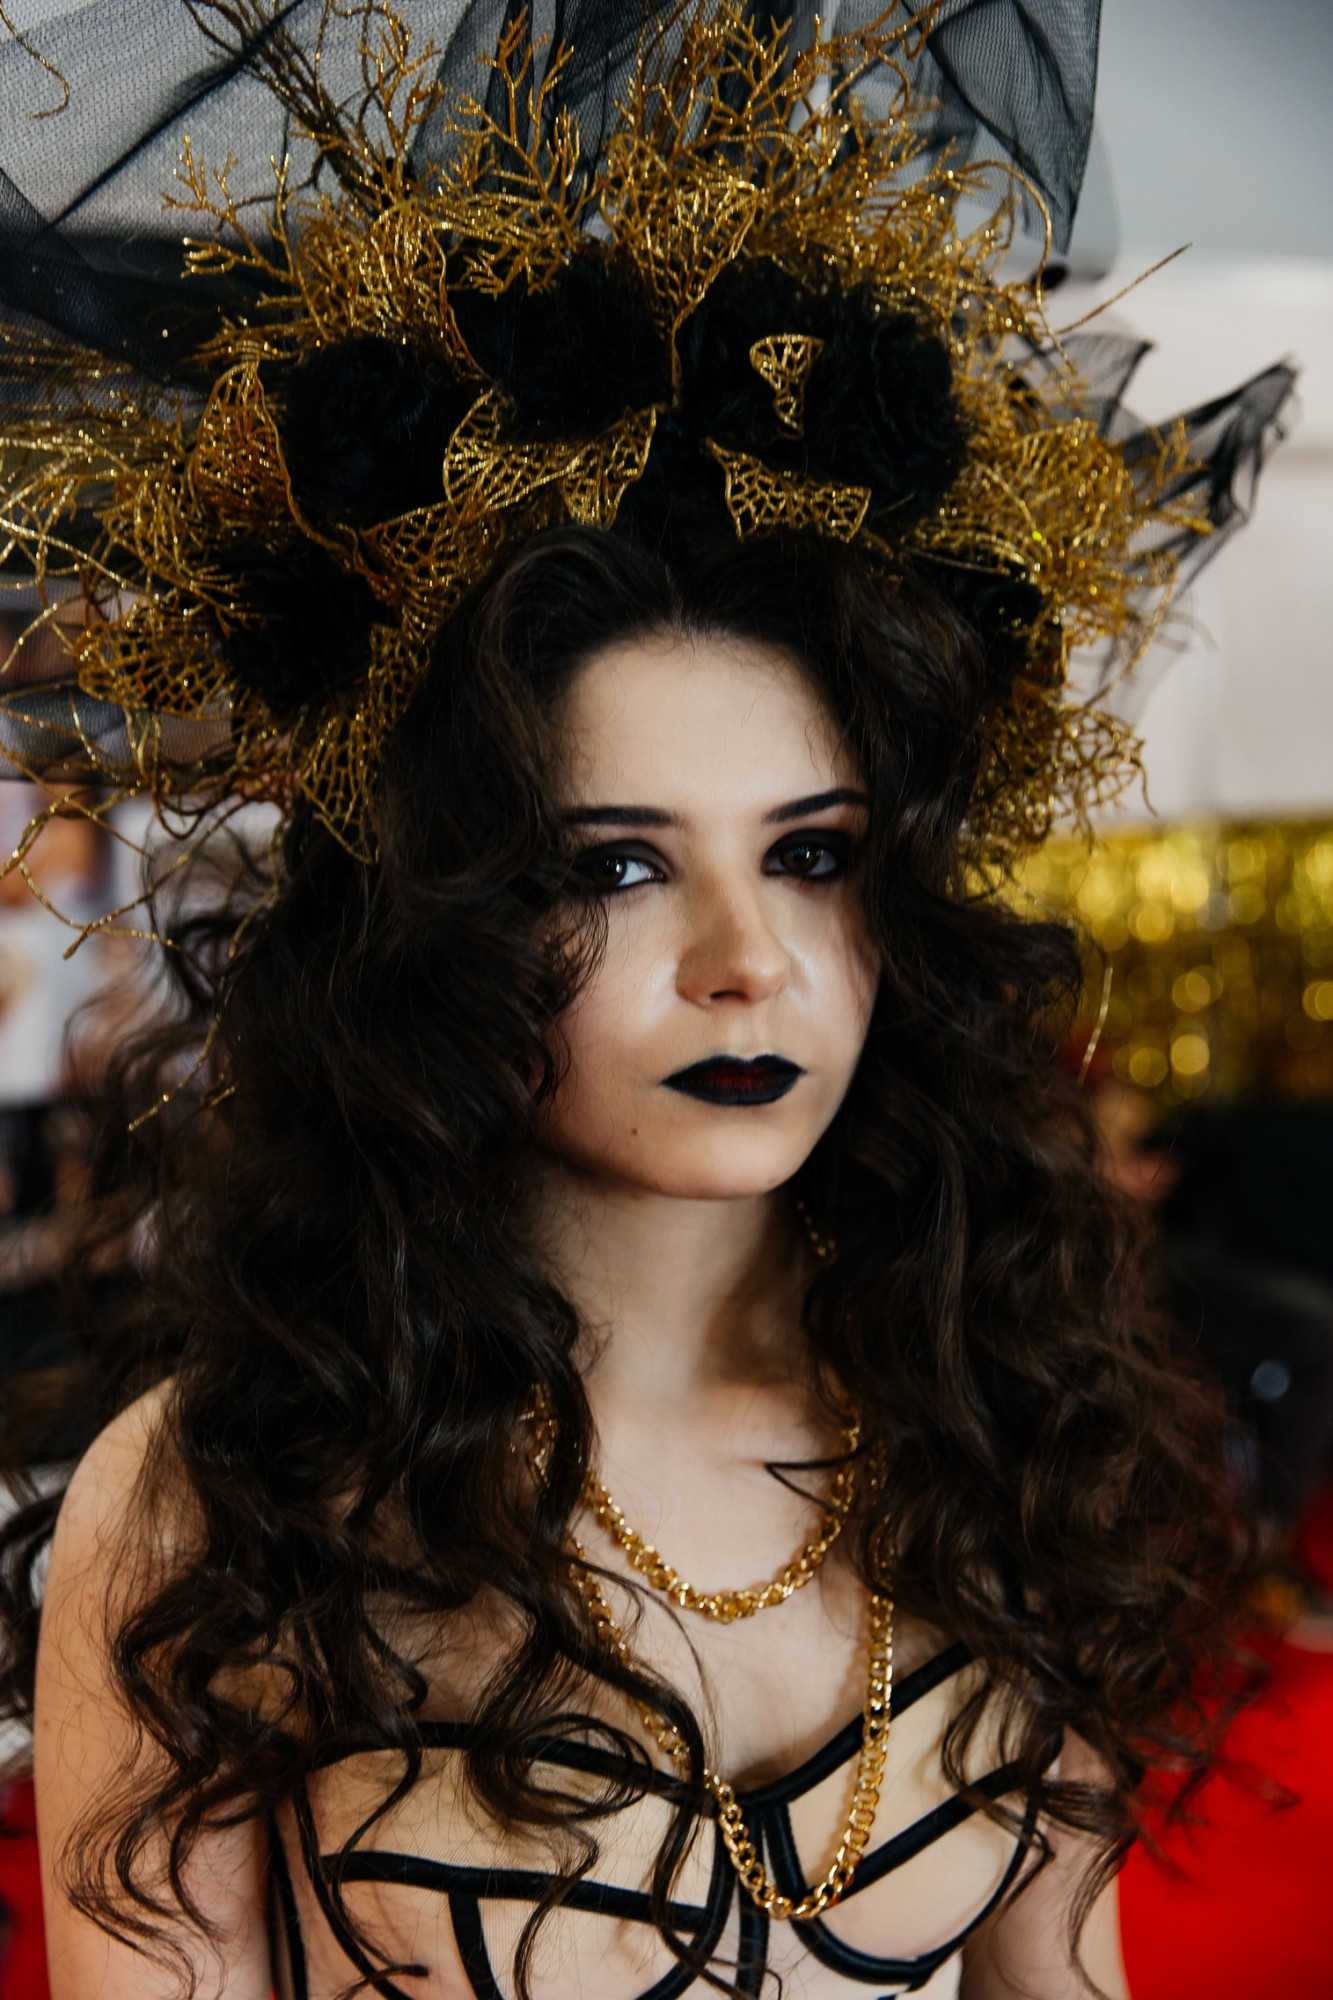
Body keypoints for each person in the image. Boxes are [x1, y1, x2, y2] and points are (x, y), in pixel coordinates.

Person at [0, 3, 1294, 1995]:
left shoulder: (992, 1416)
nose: (742, 958)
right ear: (438, 924)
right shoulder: (219, 1503)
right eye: (614, 865)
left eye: (812, 854)